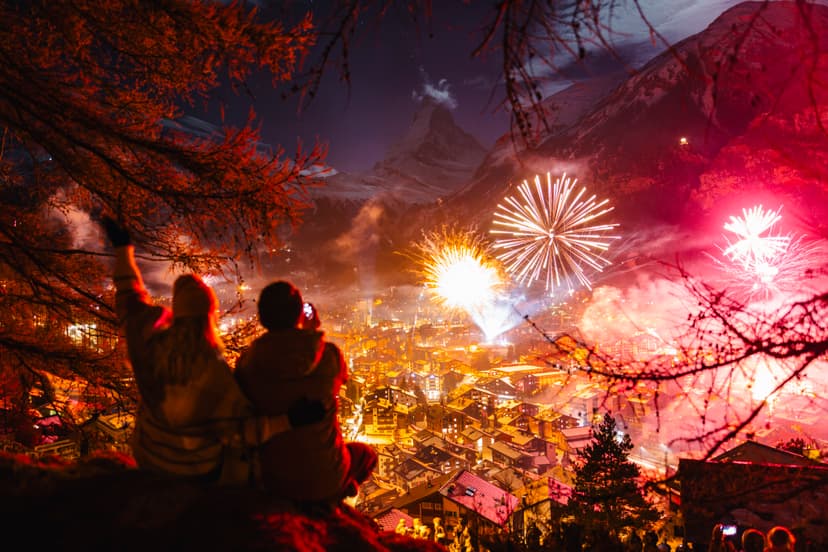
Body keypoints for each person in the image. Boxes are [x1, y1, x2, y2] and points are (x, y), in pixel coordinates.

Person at [101, 216, 324, 483]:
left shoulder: (151, 348)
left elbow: (130, 299)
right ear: (210, 316)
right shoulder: (214, 373)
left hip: (148, 456)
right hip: (195, 469)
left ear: (177, 311)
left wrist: (123, 250)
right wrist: (289, 420)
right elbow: (241, 432)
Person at [234, 281, 377, 503]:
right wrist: (311, 332)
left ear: (262, 318)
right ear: (300, 314)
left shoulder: (247, 363)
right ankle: (336, 497)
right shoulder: (328, 356)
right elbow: (342, 378)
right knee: (367, 455)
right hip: (326, 475)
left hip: (274, 478)